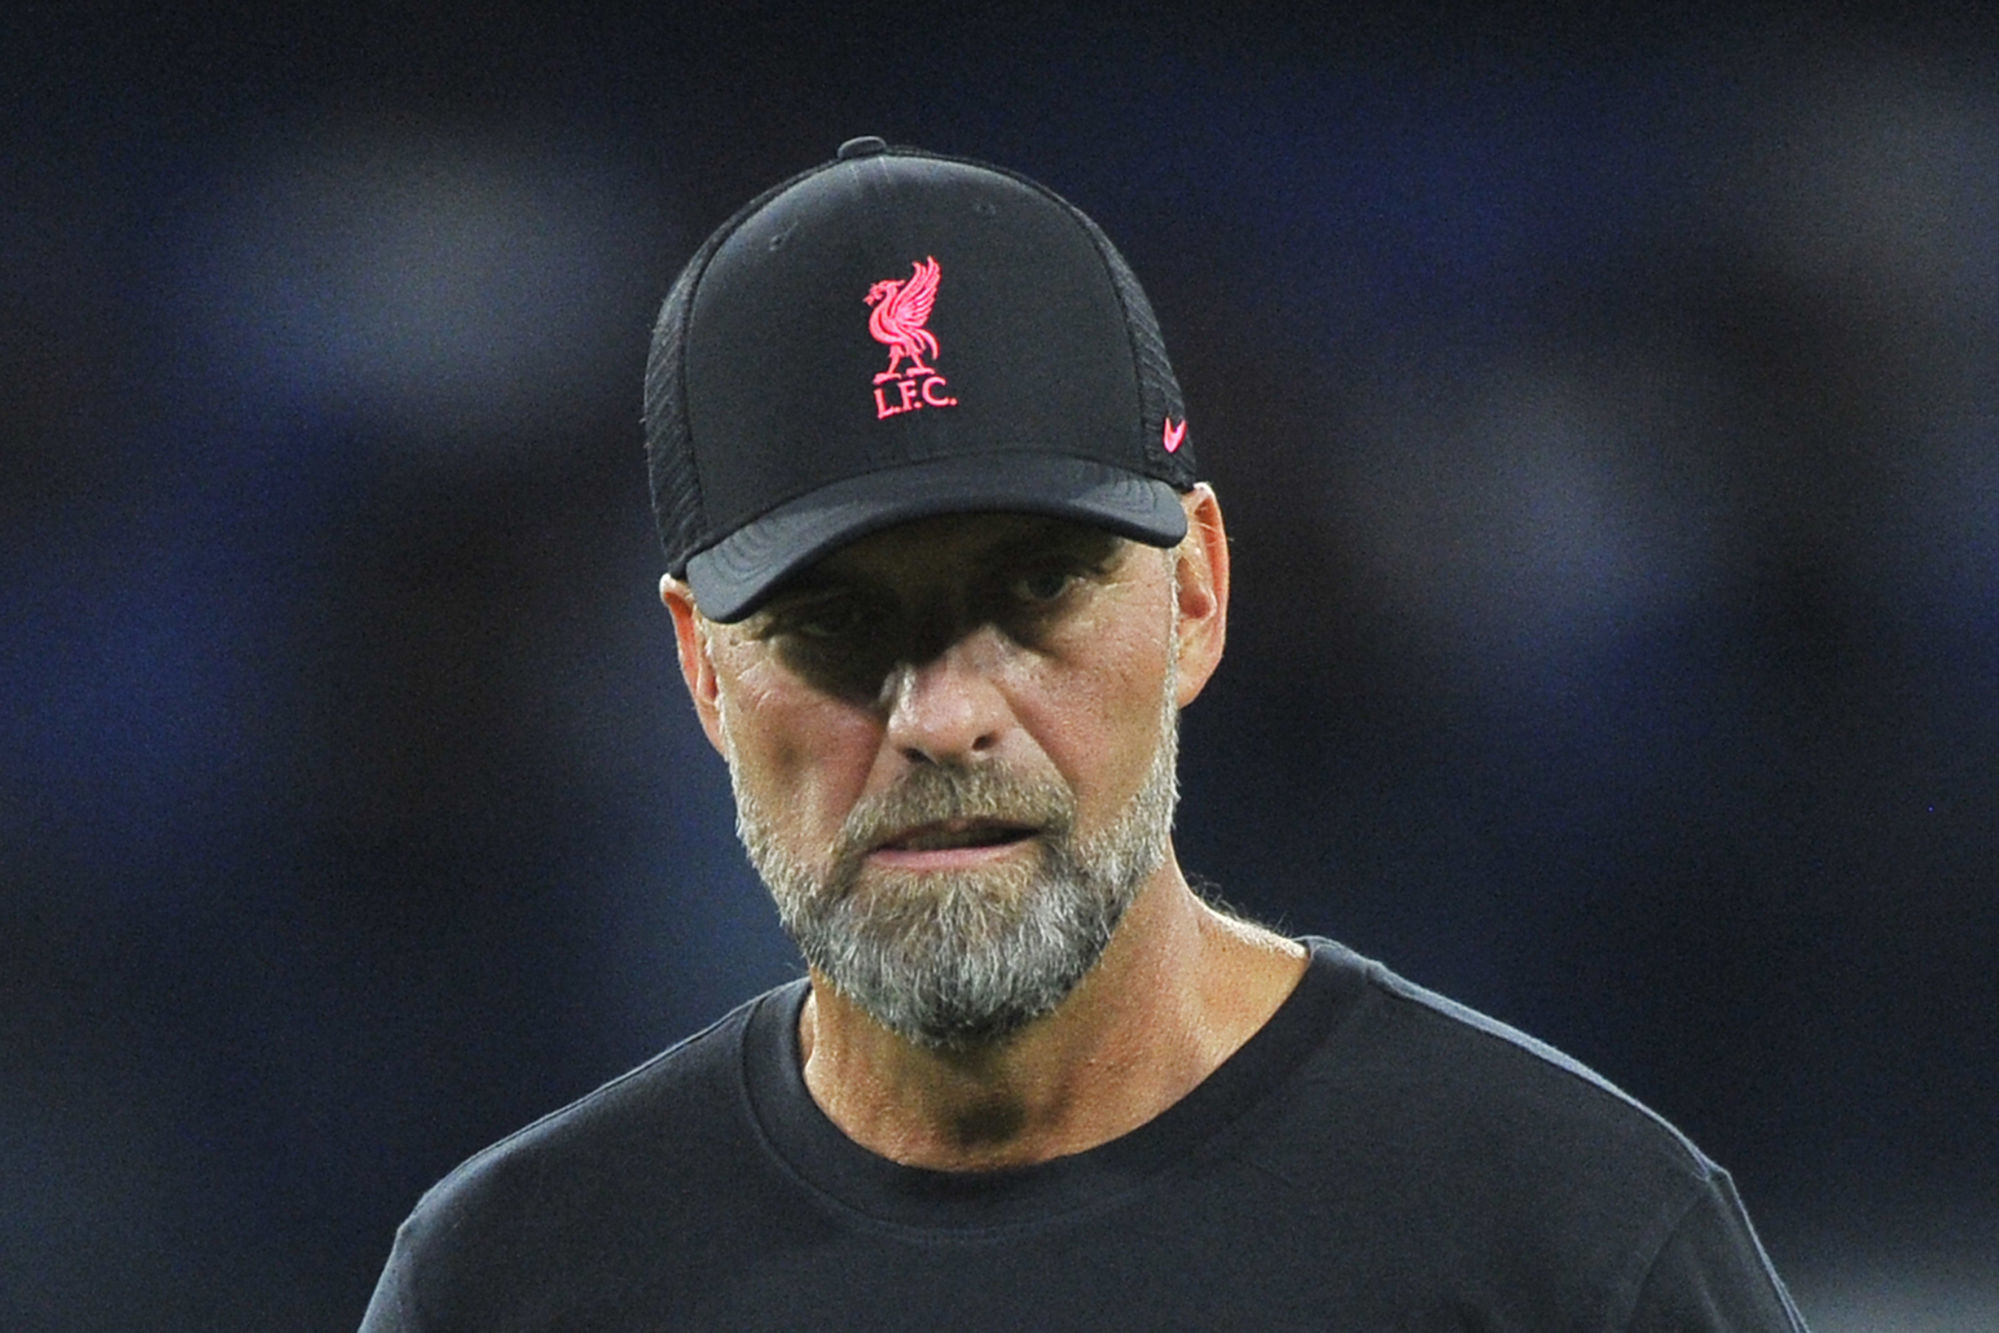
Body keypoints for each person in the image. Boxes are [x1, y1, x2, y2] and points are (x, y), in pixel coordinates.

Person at [360, 138, 1809, 1330]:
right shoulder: (514, 1286)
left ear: (1196, 593)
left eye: (1036, 589)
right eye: (837, 622)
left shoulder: (1565, 1248)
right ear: (701, 669)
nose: (943, 718)